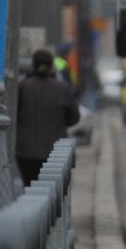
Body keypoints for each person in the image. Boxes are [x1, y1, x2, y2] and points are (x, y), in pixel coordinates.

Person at [15, 47, 81, 185]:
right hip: (54, 152)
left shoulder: (23, 87)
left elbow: (15, 115)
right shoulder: (61, 88)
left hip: (26, 152)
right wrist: (60, 122)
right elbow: (74, 117)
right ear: (52, 66)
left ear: (33, 65)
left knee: (30, 188)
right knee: (52, 193)